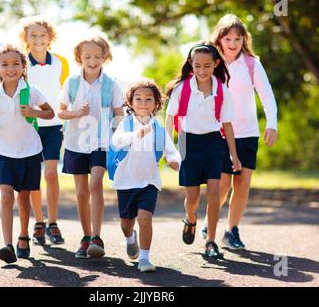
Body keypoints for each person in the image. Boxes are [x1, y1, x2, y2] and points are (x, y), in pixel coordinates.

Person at [200, 14, 278, 250]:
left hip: (248, 133)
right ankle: (208, 222)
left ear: (244, 39)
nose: (233, 43)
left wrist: (272, 123)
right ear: (219, 40)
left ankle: (231, 231)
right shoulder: (211, 63)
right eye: (228, 38)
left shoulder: (252, 63)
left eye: (237, 38)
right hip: (219, 132)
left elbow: (266, 95)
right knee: (222, 184)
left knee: (242, 183)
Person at [165, 44, 242, 259]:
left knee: (215, 193)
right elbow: (170, 118)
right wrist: (167, 147)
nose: (202, 70)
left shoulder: (222, 90)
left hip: (214, 144)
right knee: (192, 199)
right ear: (191, 64)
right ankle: (190, 220)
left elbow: (227, 125)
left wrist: (233, 155)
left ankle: (210, 242)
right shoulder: (182, 88)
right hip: (188, 144)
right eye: (197, 65)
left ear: (216, 64)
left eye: (207, 65)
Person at [0, 44, 55, 264]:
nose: (10, 68)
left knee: (23, 198)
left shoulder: (31, 91)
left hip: (30, 151)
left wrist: (33, 112)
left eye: (15, 64)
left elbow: (50, 113)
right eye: (5, 64)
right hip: (4, 152)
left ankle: (24, 236)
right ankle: (8, 245)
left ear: (23, 67)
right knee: (6, 197)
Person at [58, 33, 124, 259]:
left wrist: (119, 138)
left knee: (96, 184)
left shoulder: (112, 84)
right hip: (75, 143)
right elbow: (61, 111)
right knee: (80, 192)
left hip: (102, 143)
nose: (93, 60)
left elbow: (119, 114)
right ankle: (86, 238)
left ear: (105, 57)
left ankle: (97, 237)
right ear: (79, 58)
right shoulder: (72, 82)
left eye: (97, 56)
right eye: (88, 56)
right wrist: (77, 113)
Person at [109, 79, 181, 272]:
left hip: (149, 181)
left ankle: (145, 258)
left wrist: (174, 160)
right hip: (126, 181)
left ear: (156, 104)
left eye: (148, 99)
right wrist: (135, 135)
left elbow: (171, 149)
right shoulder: (126, 123)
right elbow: (116, 141)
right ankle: (130, 238)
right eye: (138, 98)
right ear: (131, 103)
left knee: (145, 218)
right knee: (126, 224)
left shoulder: (158, 128)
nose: (143, 102)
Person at [19, 16, 69, 246]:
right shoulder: (21, 64)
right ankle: (38, 222)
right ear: (25, 39)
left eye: (43, 35)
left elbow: (66, 93)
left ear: (50, 38)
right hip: (30, 126)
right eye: (33, 35)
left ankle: (53, 222)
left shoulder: (61, 62)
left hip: (54, 125)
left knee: (51, 174)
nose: (38, 39)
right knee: (33, 177)